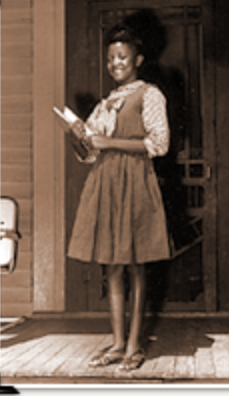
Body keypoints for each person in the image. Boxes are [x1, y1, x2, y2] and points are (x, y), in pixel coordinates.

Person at [67, 24, 171, 372]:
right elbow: (90, 154)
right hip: (106, 184)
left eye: (122, 57)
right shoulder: (105, 102)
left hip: (135, 182)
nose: (115, 63)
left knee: (134, 263)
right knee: (111, 264)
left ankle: (135, 345)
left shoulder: (150, 95)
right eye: (110, 58)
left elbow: (159, 144)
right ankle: (116, 343)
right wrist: (78, 136)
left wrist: (108, 143)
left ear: (137, 59)